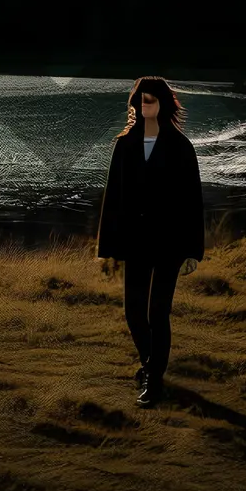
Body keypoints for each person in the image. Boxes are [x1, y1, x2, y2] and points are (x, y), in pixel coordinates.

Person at [96, 76, 204, 407]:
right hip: (135, 242)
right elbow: (112, 197)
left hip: (170, 243)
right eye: (141, 101)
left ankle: (153, 382)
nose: (145, 106)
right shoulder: (124, 144)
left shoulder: (182, 147)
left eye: (151, 100)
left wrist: (193, 250)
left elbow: (192, 201)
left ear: (164, 104)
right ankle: (150, 365)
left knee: (158, 313)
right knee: (133, 312)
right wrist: (108, 248)